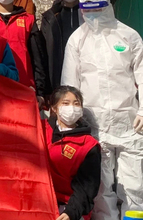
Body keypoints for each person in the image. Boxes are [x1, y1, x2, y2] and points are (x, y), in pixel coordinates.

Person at [61, 0, 143, 220]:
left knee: (135, 183)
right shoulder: (78, 39)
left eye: (97, 10)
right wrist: (70, 115)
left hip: (129, 122)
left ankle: (136, 217)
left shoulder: (128, 35)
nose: (92, 15)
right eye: (87, 11)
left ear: (108, 7)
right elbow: (70, 82)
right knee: (100, 184)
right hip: (94, 122)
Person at [43, 86, 101, 220]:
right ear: (54, 108)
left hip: (69, 207)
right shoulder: (40, 128)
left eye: (76, 104)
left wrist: (71, 212)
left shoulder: (88, 145)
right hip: (39, 200)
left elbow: (87, 187)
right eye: (65, 103)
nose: (72, 108)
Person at [33, 0, 85, 97]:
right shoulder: (50, 17)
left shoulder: (92, 13)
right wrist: (44, 90)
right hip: (59, 82)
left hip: (88, 79)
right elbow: (43, 54)